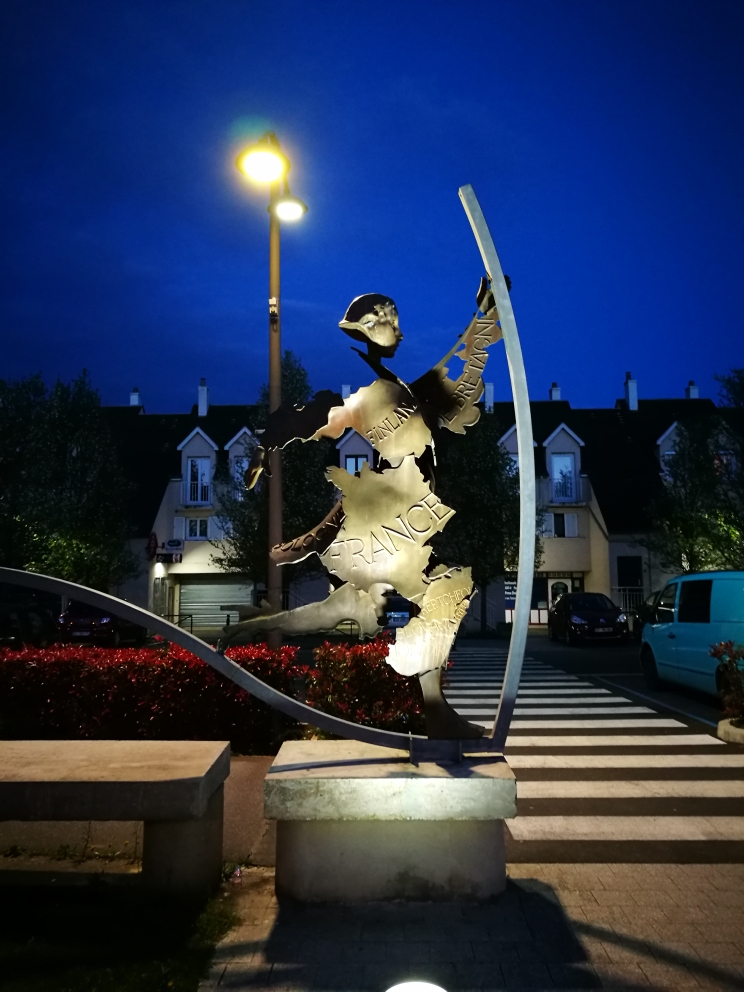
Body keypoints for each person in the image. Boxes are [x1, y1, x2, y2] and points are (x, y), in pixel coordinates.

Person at [223, 283, 503, 738]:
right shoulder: (364, 401)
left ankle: (433, 707)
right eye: (390, 322)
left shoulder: (406, 392)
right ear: (369, 328)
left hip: (405, 516)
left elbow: (462, 375)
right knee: (436, 592)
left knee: (419, 596)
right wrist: (264, 445)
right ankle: (434, 707)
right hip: (392, 520)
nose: (400, 332)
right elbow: (310, 416)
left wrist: (486, 317)